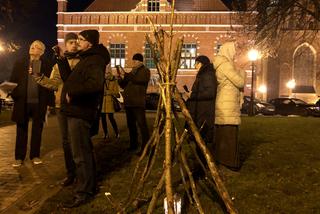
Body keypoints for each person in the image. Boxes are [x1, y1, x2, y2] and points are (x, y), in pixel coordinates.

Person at [61, 29, 110, 208]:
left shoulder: (94, 60)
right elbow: (70, 79)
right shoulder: (87, 58)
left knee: (80, 154)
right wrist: (61, 60)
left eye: (81, 39)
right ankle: (87, 186)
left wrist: (73, 92)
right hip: (76, 111)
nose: (78, 42)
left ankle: (84, 192)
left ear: (90, 42)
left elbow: (95, 84)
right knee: (83, 152)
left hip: (80, 112)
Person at [33, 33, 79, 186]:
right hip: (61, 107)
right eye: (71, 42)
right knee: (66, 141)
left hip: (76, 105)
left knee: (77, 140)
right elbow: (54, 84)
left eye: (76, 42)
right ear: (65, 44)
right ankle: (70, 173)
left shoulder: (82, 61)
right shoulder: (57, 64)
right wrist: (39, 77)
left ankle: (82, 172)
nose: (74, 45)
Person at [10, 40, 54, 167]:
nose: (33, 48)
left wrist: (49, 103)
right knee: (21, 130)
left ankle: (35, 155)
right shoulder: (20, 63)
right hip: (22, 101)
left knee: (37, 130)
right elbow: (13, 81)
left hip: (39, 102)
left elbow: (50, 85)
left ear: (42, 52)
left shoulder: (46, 64)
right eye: (32, 46)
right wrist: (13, 93)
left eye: (37, 47)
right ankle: (19, 157)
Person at [212, 42, 245, 171]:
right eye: (233, 51)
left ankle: (222, 159)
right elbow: (240, 81)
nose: (234, 54)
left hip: (224, 102)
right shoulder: (225, 65)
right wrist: (241, 71)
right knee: (229, 134)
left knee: (224, 134)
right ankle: (229, 162)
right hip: (228, 103)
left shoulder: (220, 64)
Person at [118, 53, 150, 154]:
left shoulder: (145, 71)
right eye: (133, 60)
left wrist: (126, 75)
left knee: (142, 125)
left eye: (136, 61)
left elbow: (139, 80)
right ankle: (133, 145)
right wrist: (120, 79)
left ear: (140, 61)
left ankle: (146, 147)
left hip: (138, 103)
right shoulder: (132, 72)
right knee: (131, 125)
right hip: (129, 103)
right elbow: (124, 85)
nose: (134, 62)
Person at [186, 55, 217, 145]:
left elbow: (210, 92)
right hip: (201, 110)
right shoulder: (204, 74)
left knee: (202, 138)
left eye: (196, 63)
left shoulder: (207, 75)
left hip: (204, 112)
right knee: (200, 138)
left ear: (201, 64)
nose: (195, 66)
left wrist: (193, 95)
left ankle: (204, 158)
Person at [101, 65, 120, 141]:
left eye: (108, 72)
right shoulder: (101, 80)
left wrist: (109, 92)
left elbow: (116, 92)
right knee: (103, 119)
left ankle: (117, 132)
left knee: (111, 118)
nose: (106, 74)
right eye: (105, 73)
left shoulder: (113, 80)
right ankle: (105, 134)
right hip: (102, 102)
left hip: (110, 101)